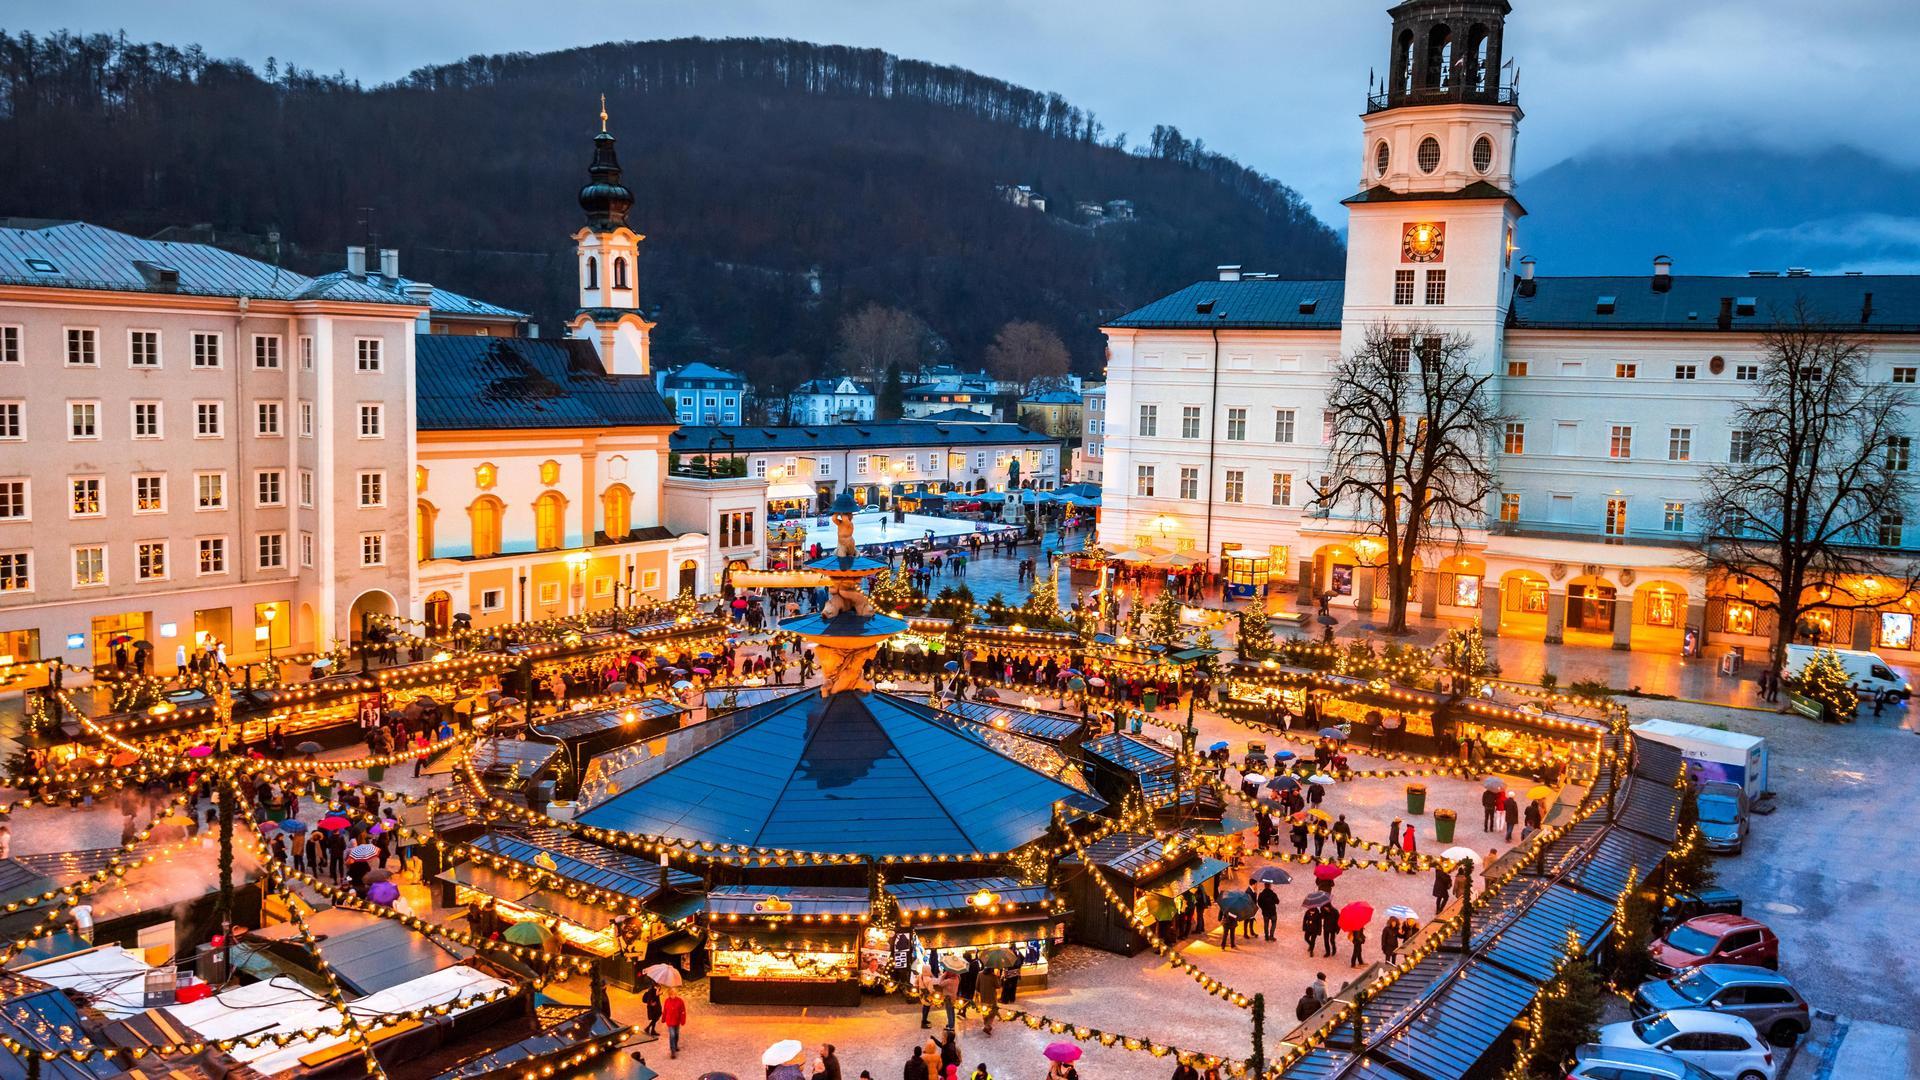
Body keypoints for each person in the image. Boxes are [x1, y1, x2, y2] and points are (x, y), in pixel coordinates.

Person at [660, 990, 686, 1058]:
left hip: (677, 1021)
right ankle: (673, 1051)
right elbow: (665, 1011)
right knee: (672, 1035)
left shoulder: (680, 1001)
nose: (673, 995)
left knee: (676, 1034)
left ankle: (676, 1045)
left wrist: (682, 1020)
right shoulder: (667, 1001)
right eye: (671, 994)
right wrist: (663, 1019)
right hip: (670, 1021)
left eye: (674, 994)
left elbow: (683, 1011)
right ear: (669, 995)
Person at [977, 966, 1001, 1035]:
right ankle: (987, 1026)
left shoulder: (980, 974)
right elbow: (998, 986)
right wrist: (998, 977)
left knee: (984, 1010)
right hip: (992, 997)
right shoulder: (993, 976)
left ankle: (986, 1025)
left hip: (983, 996)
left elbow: (977, 986)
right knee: (993, 1011)